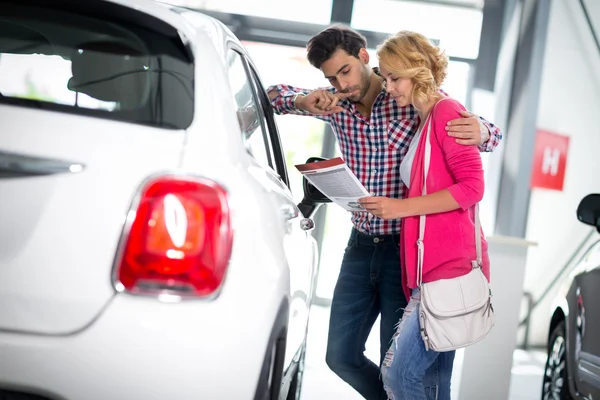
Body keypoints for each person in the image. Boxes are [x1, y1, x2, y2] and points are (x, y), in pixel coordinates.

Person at [267, 25, 501, 400]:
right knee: (340, 356)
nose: (341, 84)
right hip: (360, 246)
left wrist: (485, 132)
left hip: (404, 248)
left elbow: (481, 133)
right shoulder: (334, 103)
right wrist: (302, 101)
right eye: (331, 78)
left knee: (395, 362)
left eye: (345, 72)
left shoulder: (408, 95)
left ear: (364, 57)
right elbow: (272, 95)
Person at [358, 30, 492, 400]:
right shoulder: (423, 119)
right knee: (434, 382)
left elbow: (472, 188)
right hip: (428, 270)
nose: (387, 87)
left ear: (416, 71)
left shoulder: (447, 112)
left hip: (446, 270)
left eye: (393, 77)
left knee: (400, 377)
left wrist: (398, 208)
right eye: (383, 78)